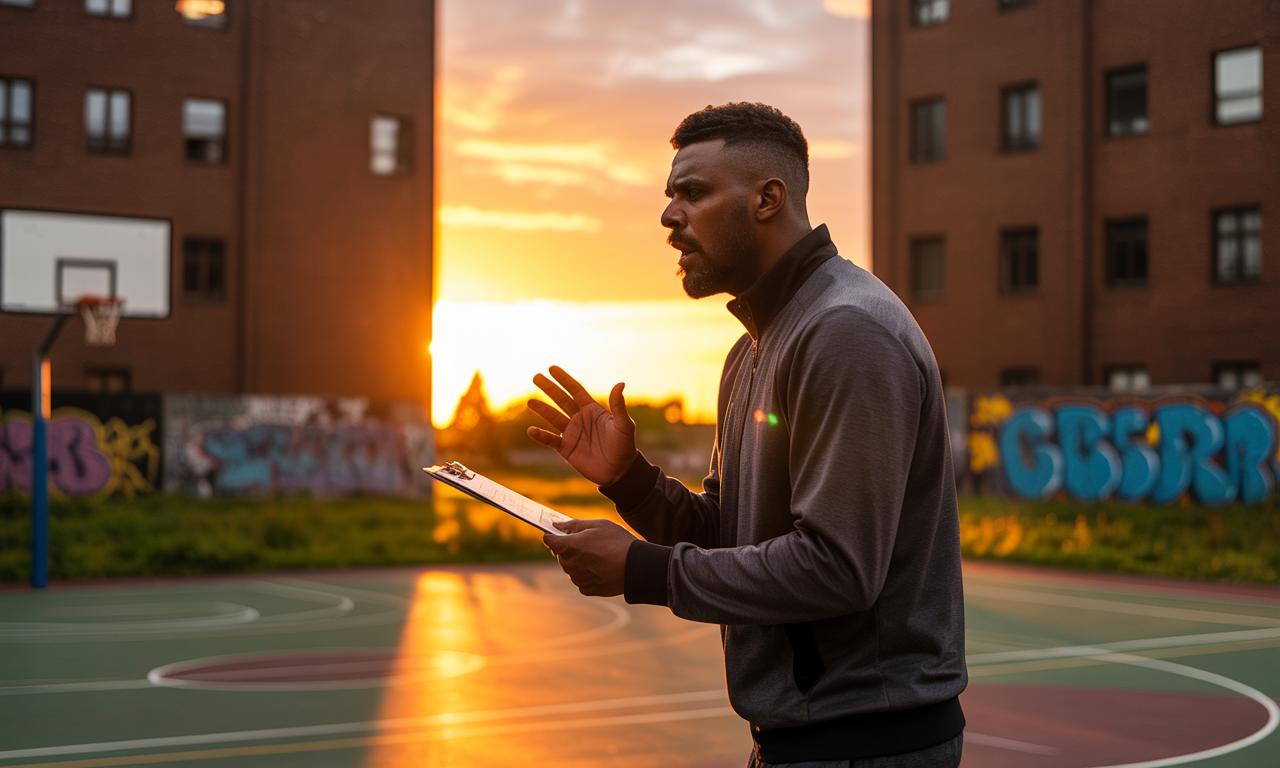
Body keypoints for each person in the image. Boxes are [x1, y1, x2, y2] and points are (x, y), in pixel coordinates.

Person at [526, 102, 967, 768]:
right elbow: (736, 540)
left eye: (693, 193)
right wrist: (633, 483)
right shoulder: (753, 349)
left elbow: (839, 570)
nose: (670, 216)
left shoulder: (847, 332)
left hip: (865, 745)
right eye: (670, 196)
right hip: (802, 740)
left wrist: (642, 569)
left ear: (768, 199)